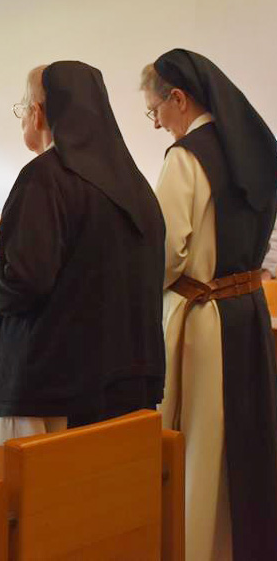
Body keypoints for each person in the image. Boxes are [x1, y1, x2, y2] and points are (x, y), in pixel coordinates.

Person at [0, 62, 165, 444]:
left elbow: (21, 283)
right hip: (122, 386)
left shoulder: (46, 177)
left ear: (39, 114)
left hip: (47, 389)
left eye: (24, 106)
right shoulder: (137, 187)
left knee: (27, 485)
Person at [142, 49, 277, 560]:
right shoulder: (257, 150)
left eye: (155, 110)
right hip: (248, 311)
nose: (157, 123)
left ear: (178, 98)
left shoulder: (187, 157)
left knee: (202, 443)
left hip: (205, 320)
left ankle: (197, 546)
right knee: (245, 437)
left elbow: (166, 253)